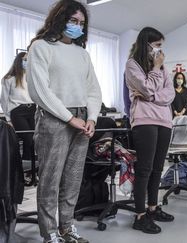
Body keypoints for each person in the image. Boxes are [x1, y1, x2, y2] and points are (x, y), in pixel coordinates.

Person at [26, 0, 102, 242]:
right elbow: (40, 90)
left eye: (81, 23)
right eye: (73, 21)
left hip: (81, 120)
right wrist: (70, 118)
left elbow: (93, 90)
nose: (77, 26)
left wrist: (91, 118)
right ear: (60, 19)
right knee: (50, 180)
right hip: (55, 118)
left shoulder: (82, 54)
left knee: (72, 179)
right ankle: (49, 233)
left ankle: (67, 228)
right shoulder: (41, 47)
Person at [125, 26, 175, 234]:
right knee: (144, 169)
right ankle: (140, 216)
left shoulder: (163, 69)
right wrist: (155, 72)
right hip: (144, 120)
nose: (159, 50)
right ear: (146, 44)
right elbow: (147, 87)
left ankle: (152, 209)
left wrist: (152, 96)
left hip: (164, 120)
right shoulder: (132, 65)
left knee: (157, 168)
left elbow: (169, 93)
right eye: (157, 45)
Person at [1, 52, 35, 161]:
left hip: (32, 110)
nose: (27, 62)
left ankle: (29, 171)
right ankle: (27, 169)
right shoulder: (9, 79)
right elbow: (4, 100)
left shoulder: (31, 77)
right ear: (18, 61)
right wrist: (8, 119)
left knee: (33, 141)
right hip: (18, 112)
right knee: (28, 139)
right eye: (25, 60)